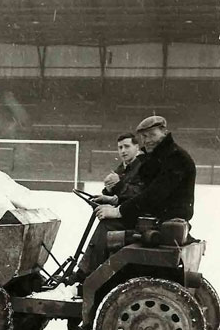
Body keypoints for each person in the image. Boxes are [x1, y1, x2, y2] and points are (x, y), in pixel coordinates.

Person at [72, 115, 196, 280]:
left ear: (164, 132)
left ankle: (84, 277)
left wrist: (118, 211)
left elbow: (152, 196)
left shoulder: (175, 158)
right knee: (110, 222)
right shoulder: (161, 156)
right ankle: (92, 272)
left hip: (164, 220)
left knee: (108, 225)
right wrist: (115, 200)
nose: (147, 140)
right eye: (144, 136)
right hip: (160, 216)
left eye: (152, 135)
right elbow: (143, 192)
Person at [92, 133, 144, 206]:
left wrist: (118, 184)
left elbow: (140, 194)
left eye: (127, 146)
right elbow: (118, 194)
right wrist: (109, 189)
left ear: (137, 147)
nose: (123, 151)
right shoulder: (121, 168)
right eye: (120, 147)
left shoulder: (144, 165)